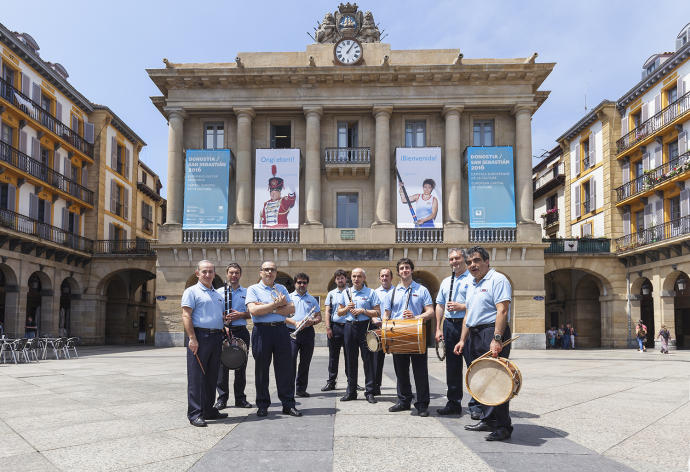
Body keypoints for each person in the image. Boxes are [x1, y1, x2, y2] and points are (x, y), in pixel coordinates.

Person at [455, 246, 514, 441]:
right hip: (474, 332)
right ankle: (488, 420)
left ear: (487, 261)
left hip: (491, 331)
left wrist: (497, 339)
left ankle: (503, 426)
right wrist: (462, 340)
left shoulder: (498, 280)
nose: (473, 265)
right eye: (470, 262)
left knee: (497, 380)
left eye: (477, 261)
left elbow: (502, 311)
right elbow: (468, 314)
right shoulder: (471, 284)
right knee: (481, 380)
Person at [246, 260, 301, 417]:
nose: (269, 272)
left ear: (276, 273)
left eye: (273, 270)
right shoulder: (253, 289)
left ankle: (288, 404)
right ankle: (263, 405)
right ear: (260, 272)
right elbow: (254, 311)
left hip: (281, 330)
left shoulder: (281, 288)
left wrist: (267, 307)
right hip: (262, 332)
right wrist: (276, 305)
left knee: (285, 369)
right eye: (266, 269)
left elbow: (291, 309)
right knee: (262, 370)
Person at [384, 258, 434, 417]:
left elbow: (431, 312)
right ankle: (404, 401)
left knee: (420, 371)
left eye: (407, 268)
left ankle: (422, 405)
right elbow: (386, 314)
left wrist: (417, 316)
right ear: (398, 272)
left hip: (416, 334)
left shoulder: (422, 290)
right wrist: (385, 329)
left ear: (411, 270)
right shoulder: (392, 292)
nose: (404, 270)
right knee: (401, 371)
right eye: (401, 268)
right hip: (397, 334)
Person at [181, 260, 229, 427]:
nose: (208, 275)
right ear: (197, 273)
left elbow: (217, 315)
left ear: (214, 274)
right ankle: (195, 413)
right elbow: (186, 315)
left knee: (212, 376)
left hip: (216, 338)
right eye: (204, 272)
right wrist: (192, 338)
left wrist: (223, 326)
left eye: (210, 272)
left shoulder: (217, 294)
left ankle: (208, 410)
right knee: (197, 377)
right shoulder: (191, 291)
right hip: (200, 337)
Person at [435, 248, 472, 417]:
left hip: (468, 325)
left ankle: (477, 405)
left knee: (473, 365)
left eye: (457, 258)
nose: (454, 262)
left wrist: (462, 306)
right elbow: (440, 305)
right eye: (451, 259)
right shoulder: (445, 281)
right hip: (450, 325)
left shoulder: (472, 278)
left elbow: (479, 303)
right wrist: (438, 328)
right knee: (452, 367)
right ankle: (453, 402)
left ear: (464, 259)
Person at [214, 263, 252, 411]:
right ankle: (222, 399)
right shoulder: (218, 292)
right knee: (222, 367)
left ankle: (240, 399)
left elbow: (252, 313)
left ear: (240, 275)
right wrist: (222, 321)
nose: (234, 275)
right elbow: (215, 313)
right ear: (227, 274)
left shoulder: (247, 292)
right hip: (224, 331)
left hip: (241, 330)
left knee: (241, 366)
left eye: (237, 273)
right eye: (231, 273)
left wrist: (241, 315)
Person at [338, 267, 380, 403]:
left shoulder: (371, 292)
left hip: (365, 327)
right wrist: (346, 308)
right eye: (354, 276)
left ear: (364, 278)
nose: (356, 279)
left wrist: (364, 311)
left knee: (368, 360)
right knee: (350, 360)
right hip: (349, 327)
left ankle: (369, 392)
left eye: (359, 276)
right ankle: (351, 391)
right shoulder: (345, 292)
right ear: (351, 278)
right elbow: (339, 312)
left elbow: (378, 312)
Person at [287, 273, 322, 397]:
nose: (302, 285)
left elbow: (319, 316)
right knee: (290, 362)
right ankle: (289, 390)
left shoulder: (312, 299)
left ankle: (301, 389)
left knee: (305, 362)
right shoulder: (288, 298)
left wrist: (312, 321)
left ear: (307, 284)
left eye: (304, 282)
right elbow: (282, 317)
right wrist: (295, 323)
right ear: (295, 283)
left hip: (307, 332)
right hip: (291, 332)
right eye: (299, 282)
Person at [321, 269, 350, 392]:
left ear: (346, 279)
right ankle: (331, 382)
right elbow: (327, 311)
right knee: (333, 356)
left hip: (349, 327)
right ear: (335, 280)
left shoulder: (351, 292)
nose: (340, 280)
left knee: (350, 356)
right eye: (338, 278)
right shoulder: (331, 294)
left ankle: (351, 382)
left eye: (342, 278)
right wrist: (328, 327)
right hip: (336, 327)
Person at [373, 267, 395, 396]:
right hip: (379, 328)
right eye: (382, 276)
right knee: (377, 359)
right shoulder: (375, 293)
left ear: (391, 278)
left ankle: (402, 387)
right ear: (379, 278)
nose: (384, 278)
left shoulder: (398, 291)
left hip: (394, 328)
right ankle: (376, 386)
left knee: (399, 359)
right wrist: (376, 320)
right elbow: (371, 309)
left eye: (387, 276)